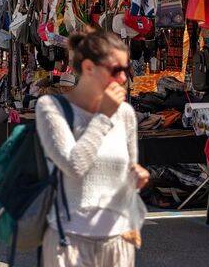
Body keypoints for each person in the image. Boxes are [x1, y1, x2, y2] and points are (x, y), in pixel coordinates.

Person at [36, 29, 149, 267]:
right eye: (115, 70)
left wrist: (135, 175)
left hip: (117, 242)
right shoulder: (52, 108)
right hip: (70, 242)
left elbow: (127, 171)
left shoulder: (126, 114)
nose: (122, 79)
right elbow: (73, 166)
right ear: (88, 68)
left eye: (125, 70)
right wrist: (104, 116)